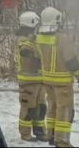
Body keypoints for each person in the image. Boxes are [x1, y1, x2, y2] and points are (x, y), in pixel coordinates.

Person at [36, 6, 79, 147]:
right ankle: (62, 141)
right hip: (62, 83)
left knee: (52, 108)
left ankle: (51, 136)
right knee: (64, 111)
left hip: (47, 81)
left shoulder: (39, 38)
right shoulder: (62, 39)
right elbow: (71, 60)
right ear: (56, 21)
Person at [16, 10, 49, 142]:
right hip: (28, 82)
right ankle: (25, 134)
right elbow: (29, 57)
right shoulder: (24, 43)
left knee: (40, 108)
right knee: (28, 109)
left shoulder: (33, 41)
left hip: (38, 81)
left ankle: (40, 131)